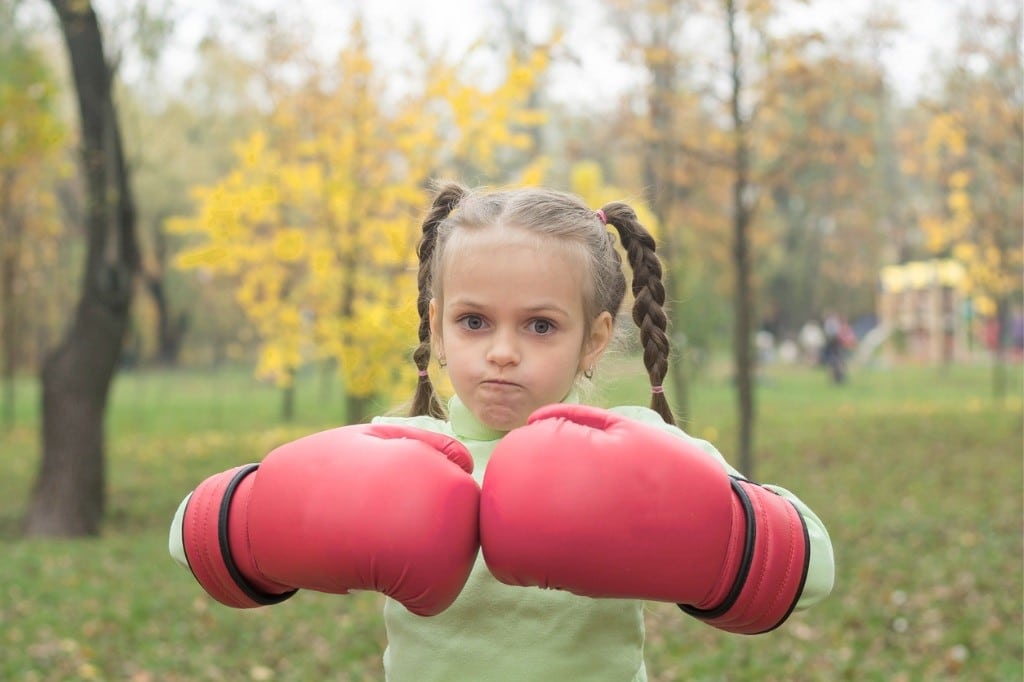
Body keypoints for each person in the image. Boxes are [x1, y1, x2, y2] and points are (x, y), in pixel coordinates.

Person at [168, 183, 835, 681]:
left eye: (540, 325)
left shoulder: (634, 443)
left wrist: (715, 542)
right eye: (474, 322)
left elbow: (814, 571)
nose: (502, 352)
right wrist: (251, 521)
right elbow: (185, 538)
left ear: (595, 339)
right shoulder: (396, 447)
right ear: (436, 327)